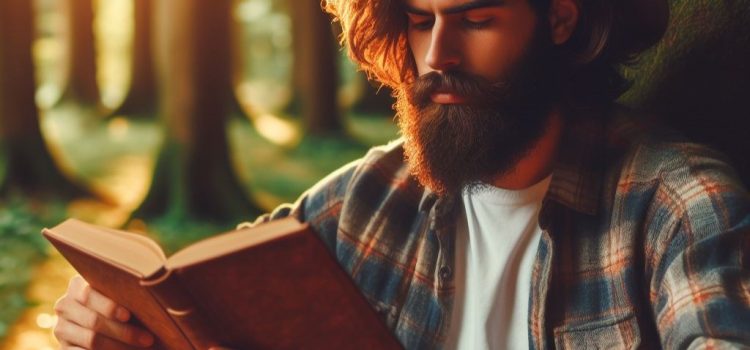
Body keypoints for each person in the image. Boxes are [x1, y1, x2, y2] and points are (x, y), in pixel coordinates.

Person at [53, 0, 750, 348]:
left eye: (475, 19)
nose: (437, 54)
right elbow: (206, 301)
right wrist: (117, 324)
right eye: (420, 20)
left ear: (560, 21)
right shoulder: (369, 196)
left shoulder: (680, 204)